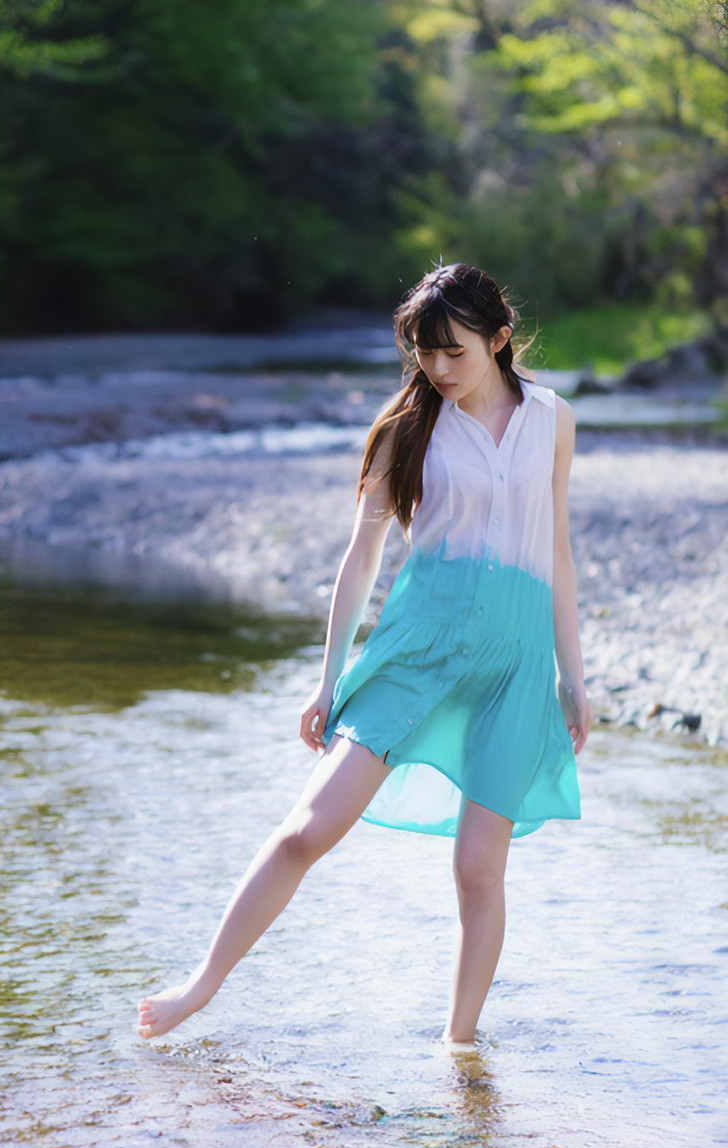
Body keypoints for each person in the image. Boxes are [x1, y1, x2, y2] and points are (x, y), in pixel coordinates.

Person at [138, 263, 588, 1050]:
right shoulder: (406, 430)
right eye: (425, 353)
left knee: (480, 869)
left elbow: (557, 544)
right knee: (306, 831)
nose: (439, 370)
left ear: (499, 338)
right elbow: (361, 557)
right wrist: (328, 679)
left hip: (514, 665)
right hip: (418, 651)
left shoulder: (553, 418)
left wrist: (571, 674)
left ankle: (460, 1050)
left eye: (455, 352)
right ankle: (198, 986)